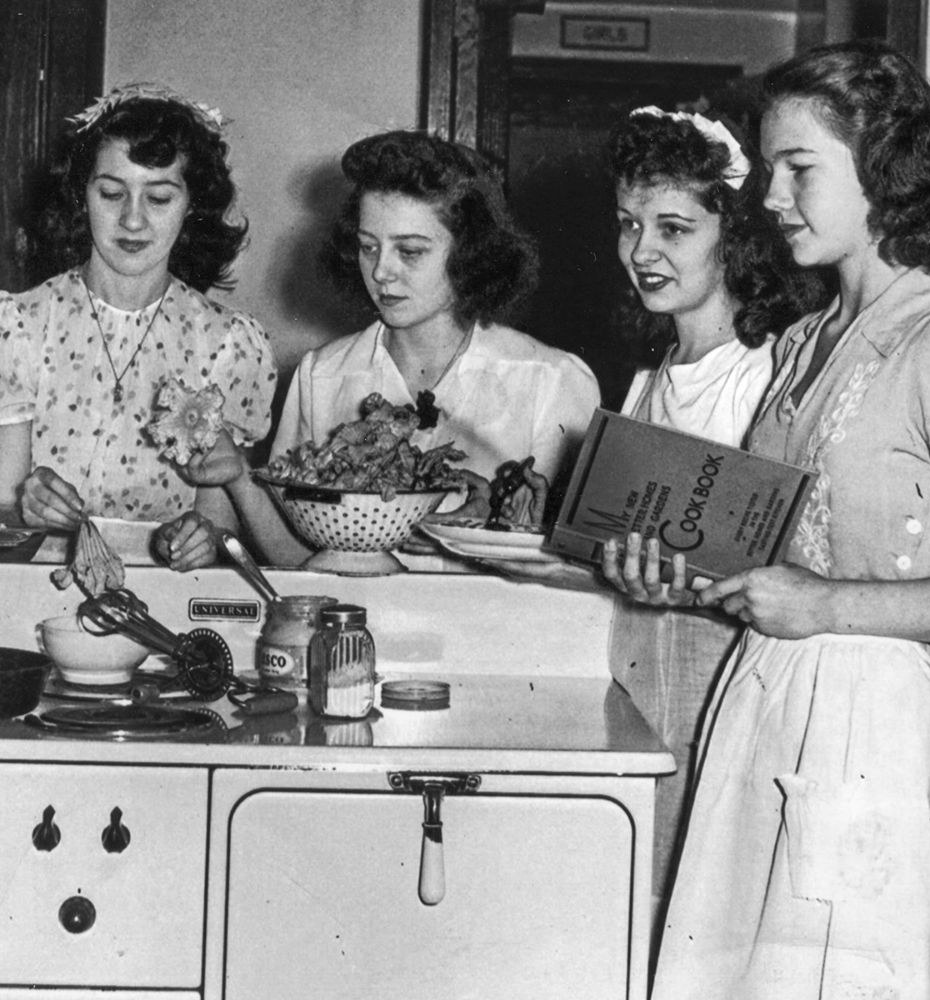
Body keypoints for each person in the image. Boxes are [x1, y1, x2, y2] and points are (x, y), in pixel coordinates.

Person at [640, 41, 930, 1000]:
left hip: (868, 723)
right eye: (769, 169)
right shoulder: (802, 343)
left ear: (886, 169)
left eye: (798, 168)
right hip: (765, 692)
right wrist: (678, 573)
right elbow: (777, 554)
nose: (770, 196)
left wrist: (826, 605)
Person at [489, 105, 820, 918]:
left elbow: (778, 565)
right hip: (644, 673)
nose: (641, 250)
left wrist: (674, 580)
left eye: (673, 228)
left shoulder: (764, 372)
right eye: (629, 224)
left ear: (734, 236)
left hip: (720, 683)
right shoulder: (651, 374)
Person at [186, 129, 600, 564]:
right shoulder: (322, 375)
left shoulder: (552, 382)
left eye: (410, 251)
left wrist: (491, 538)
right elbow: (302, 562)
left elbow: (578, 568)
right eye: (368, 247)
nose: (381, 271)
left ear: (470, 252)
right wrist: (239, 478)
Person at [0, 83, 277, 571]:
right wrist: (24, 506)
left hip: (164, 595)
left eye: (159, 198)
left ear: (192, 205)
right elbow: (3, 505)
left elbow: (218, 521)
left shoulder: (228, 344)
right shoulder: (19, 325)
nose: (132, 220)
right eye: (111, 193)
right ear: (81, 195)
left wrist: (198, 538)